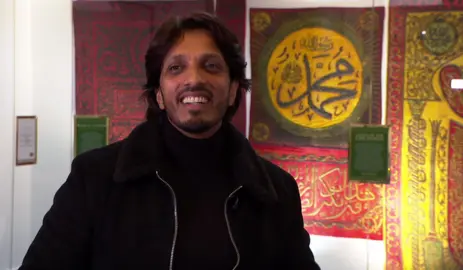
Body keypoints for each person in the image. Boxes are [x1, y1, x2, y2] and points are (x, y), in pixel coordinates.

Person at [19, 12, 320, 270]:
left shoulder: (276, 190)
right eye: (176, 67)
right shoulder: (95, 178)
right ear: (159, 94)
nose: (194, 79)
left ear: (232, 90)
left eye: (211, 66)